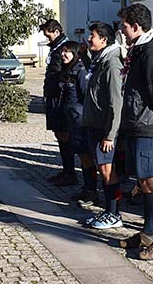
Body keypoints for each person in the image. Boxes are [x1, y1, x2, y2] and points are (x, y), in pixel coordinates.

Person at [116, 4, 153, 261]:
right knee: (144, 183)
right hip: (135, 124)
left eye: (124, 26)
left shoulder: (151, 53)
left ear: (136, 26)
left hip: (148, 126)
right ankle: (148, 232)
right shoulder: (139, 50)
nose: (122, 30)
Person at [81, 23, 125, 230]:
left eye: (93, 36)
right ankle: (109, 210)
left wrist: (110, 135)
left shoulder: (112, 64)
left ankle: (114, 213)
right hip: (94, 125)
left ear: (104, 40)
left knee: (108, 171)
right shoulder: (99, 60)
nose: (89, 39)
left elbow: (116, 102)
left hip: (104, 130)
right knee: (103, 170)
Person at [56, 41, 94, 206]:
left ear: (75, 53)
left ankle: (91, 190)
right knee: (81, 156)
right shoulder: (68, 70)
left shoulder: (81, 71)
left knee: (86, 156)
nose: (63, 55)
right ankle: (87, 188)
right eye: (62, 52)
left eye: (67, 52)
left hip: (80, 120)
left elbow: (86, 96)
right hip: (71, 118)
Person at [41, 20, 76, 186]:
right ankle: (66, 170)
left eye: (47, 33)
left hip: (60, 97)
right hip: (53, 95)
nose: (45, 37)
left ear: (55, 31)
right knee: (59, 134)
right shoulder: (56, 47)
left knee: (64, 134)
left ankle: (70, 173)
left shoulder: (64, 48)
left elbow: (60, 72)